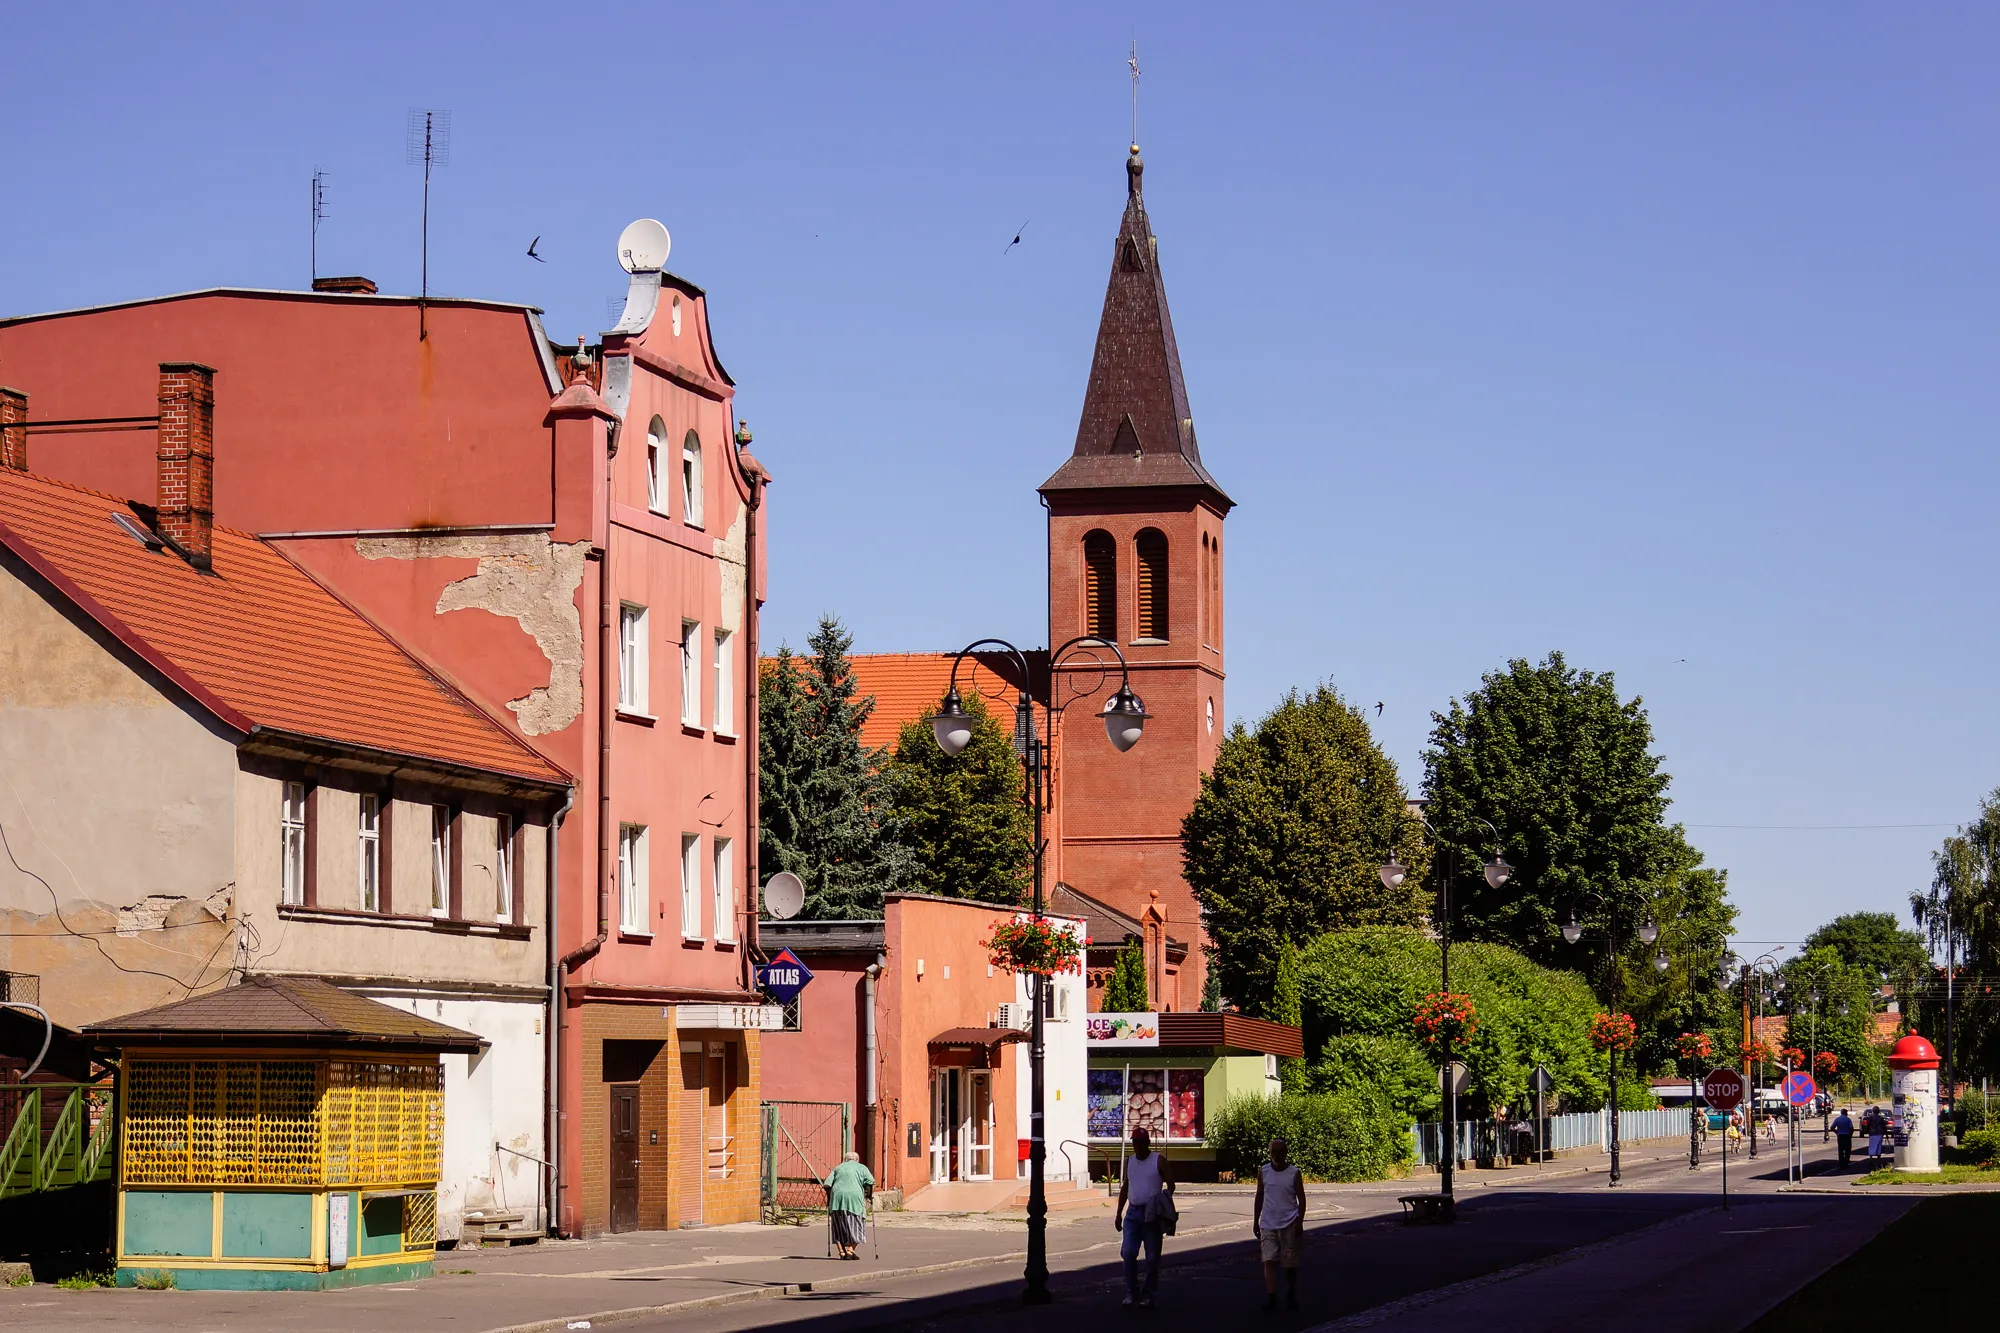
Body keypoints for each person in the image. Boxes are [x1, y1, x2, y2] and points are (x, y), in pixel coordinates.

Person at [1115, 1127, 1174, 1308]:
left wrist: (1162, 1203)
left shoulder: (1158, 1160)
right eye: (1135, 1142)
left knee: (1152, 1257)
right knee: (1128, 1252)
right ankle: (1132, 1291)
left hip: (1151, 1214)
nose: (1137, 1146)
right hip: (1133, 1212)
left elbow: (1171, 1184)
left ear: (1148, 1143)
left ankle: (1149, 1294)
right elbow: (1126, 1187)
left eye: (1141, 1142)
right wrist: (1118, 1213)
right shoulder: (1130, 1162)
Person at [1252, 1137, 1306, 1312]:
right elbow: (1259, 1195)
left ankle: (1291, 1293)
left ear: (1286, 1153)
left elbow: (1302, 1199)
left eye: (1280, 1152)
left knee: (1290, 1263)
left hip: (1289, 1222)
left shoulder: (1294, 1173)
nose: (1277, 1156)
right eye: (1273, 1152)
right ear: (1269, 1153)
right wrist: (1255, 1220)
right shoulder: (1264, 1171)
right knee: (1268, 1260)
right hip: (1268, 1223)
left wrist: (1300, 1221)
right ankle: (1272, 1298)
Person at [823, 1151, 874, 1260]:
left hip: (837, 1199)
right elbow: (870, 1182)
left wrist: (830, 1200)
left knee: (838, 1226)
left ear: (845, 1159)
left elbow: (827, 1184)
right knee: (858, 1225)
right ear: (857, 1159)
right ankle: (850, 1250)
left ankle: (842, 1252)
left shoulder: (838, 1168)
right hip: (854, 1199)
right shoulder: (862, 1168)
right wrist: (869, 1196)